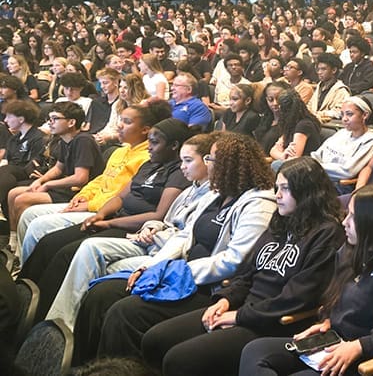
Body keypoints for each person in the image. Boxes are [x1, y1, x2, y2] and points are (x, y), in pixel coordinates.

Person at [72, 133, 276, 364]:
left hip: (208, 288)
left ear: (230, 165)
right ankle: (83, 366)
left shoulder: (259, 204)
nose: (208, 164)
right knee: (100, 294)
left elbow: (234, 260)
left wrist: (178, 272)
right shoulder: (217, 195)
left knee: (125, 313)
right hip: (179, 273)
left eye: (212, 159)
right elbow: (185, 234)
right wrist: (155, 266)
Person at [140, 157, 345, 376]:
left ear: (307, 192)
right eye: (277, 187)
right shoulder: (281, 221)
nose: (277, 195)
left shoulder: (327, 233)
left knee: (180, 360)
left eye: (285, 189)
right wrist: (226, 300)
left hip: (274, 322)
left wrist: (239, 317)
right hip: (244, 309)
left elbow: (298, 297)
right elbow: (246, 274)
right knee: (155, 339)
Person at [238, 183, 373, 376]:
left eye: (353, 217)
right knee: (255, 351)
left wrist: (360, 346)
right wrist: (327, 322)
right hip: (334, 343)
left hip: (366, 360)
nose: (344, 222)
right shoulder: (352, 251)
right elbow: (344, 305)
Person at [18, 118, 193, 320]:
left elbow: (158, 215)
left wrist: (108, 222)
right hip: (114, 218)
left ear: (174, 146)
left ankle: (47, 319)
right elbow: (120, 197)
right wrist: (100, 214)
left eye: (155, 143)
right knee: (50, 243)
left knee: (67, 253)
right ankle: (24, 302)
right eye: (149, 142)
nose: (150, 148)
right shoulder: (148, 164)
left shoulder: (178, 172)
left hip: (134, 229)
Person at [45, 133, 215, 331]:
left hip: (166, 252)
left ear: (208, 162)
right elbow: (166, 221)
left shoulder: (211, 194)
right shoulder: (191, 189)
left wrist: (155, 231)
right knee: (90, 248)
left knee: (106, 273)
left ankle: (72, 325)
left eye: (188, 161)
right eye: (182, 160)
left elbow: (185, 235)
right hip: (151, 240)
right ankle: (60, 322)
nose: (182, 166)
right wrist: (152, 227)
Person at [8, 102, 105, 254]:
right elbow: (58, 168)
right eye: (49, 119)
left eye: (54, 119)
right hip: (66, 188)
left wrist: (48, 185)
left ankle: (21, 252)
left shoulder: (83, 140)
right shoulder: (64, 141)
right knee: (13, 193)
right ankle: (12, 242)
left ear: (71, 122)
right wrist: (40, 181)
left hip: (79, 193)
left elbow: (81, 178)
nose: (49, 123)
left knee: (22, 199)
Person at [311, 96, 373, 193]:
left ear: (365, 115)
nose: (344, 119)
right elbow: (318, 155)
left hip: (337, 186)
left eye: (349, 114)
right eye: (342, 114)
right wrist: (309, 165)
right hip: (319, 177)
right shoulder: (342, 132)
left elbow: (348, 171)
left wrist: (314, 168)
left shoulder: (371, 140)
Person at [0, 100, 44, 238]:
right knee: (5, 170)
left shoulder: (38, 137)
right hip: (10, 173)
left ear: (21, 119)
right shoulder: (14, 139)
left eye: (9, 116)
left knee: (6, 170)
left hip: (27, 172)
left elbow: (34, 163)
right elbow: (6, 159)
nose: (6, 120)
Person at [269, 89, 322, 169]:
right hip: (293, 165)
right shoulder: (290, 125)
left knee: (276, 165)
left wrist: (281, 154)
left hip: (306, 168)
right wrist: (283, 155)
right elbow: (272, 151)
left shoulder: (304, 125)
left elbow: (294, 158)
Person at [307, 53, 349, 121]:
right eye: (318, 69)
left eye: (323, 69)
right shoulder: (319, 86)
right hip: (313, 122)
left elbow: (339, 112)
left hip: (328, 125)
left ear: (334, 70)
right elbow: (310, 106)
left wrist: (318, 114)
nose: (319, 72)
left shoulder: (341, 90)